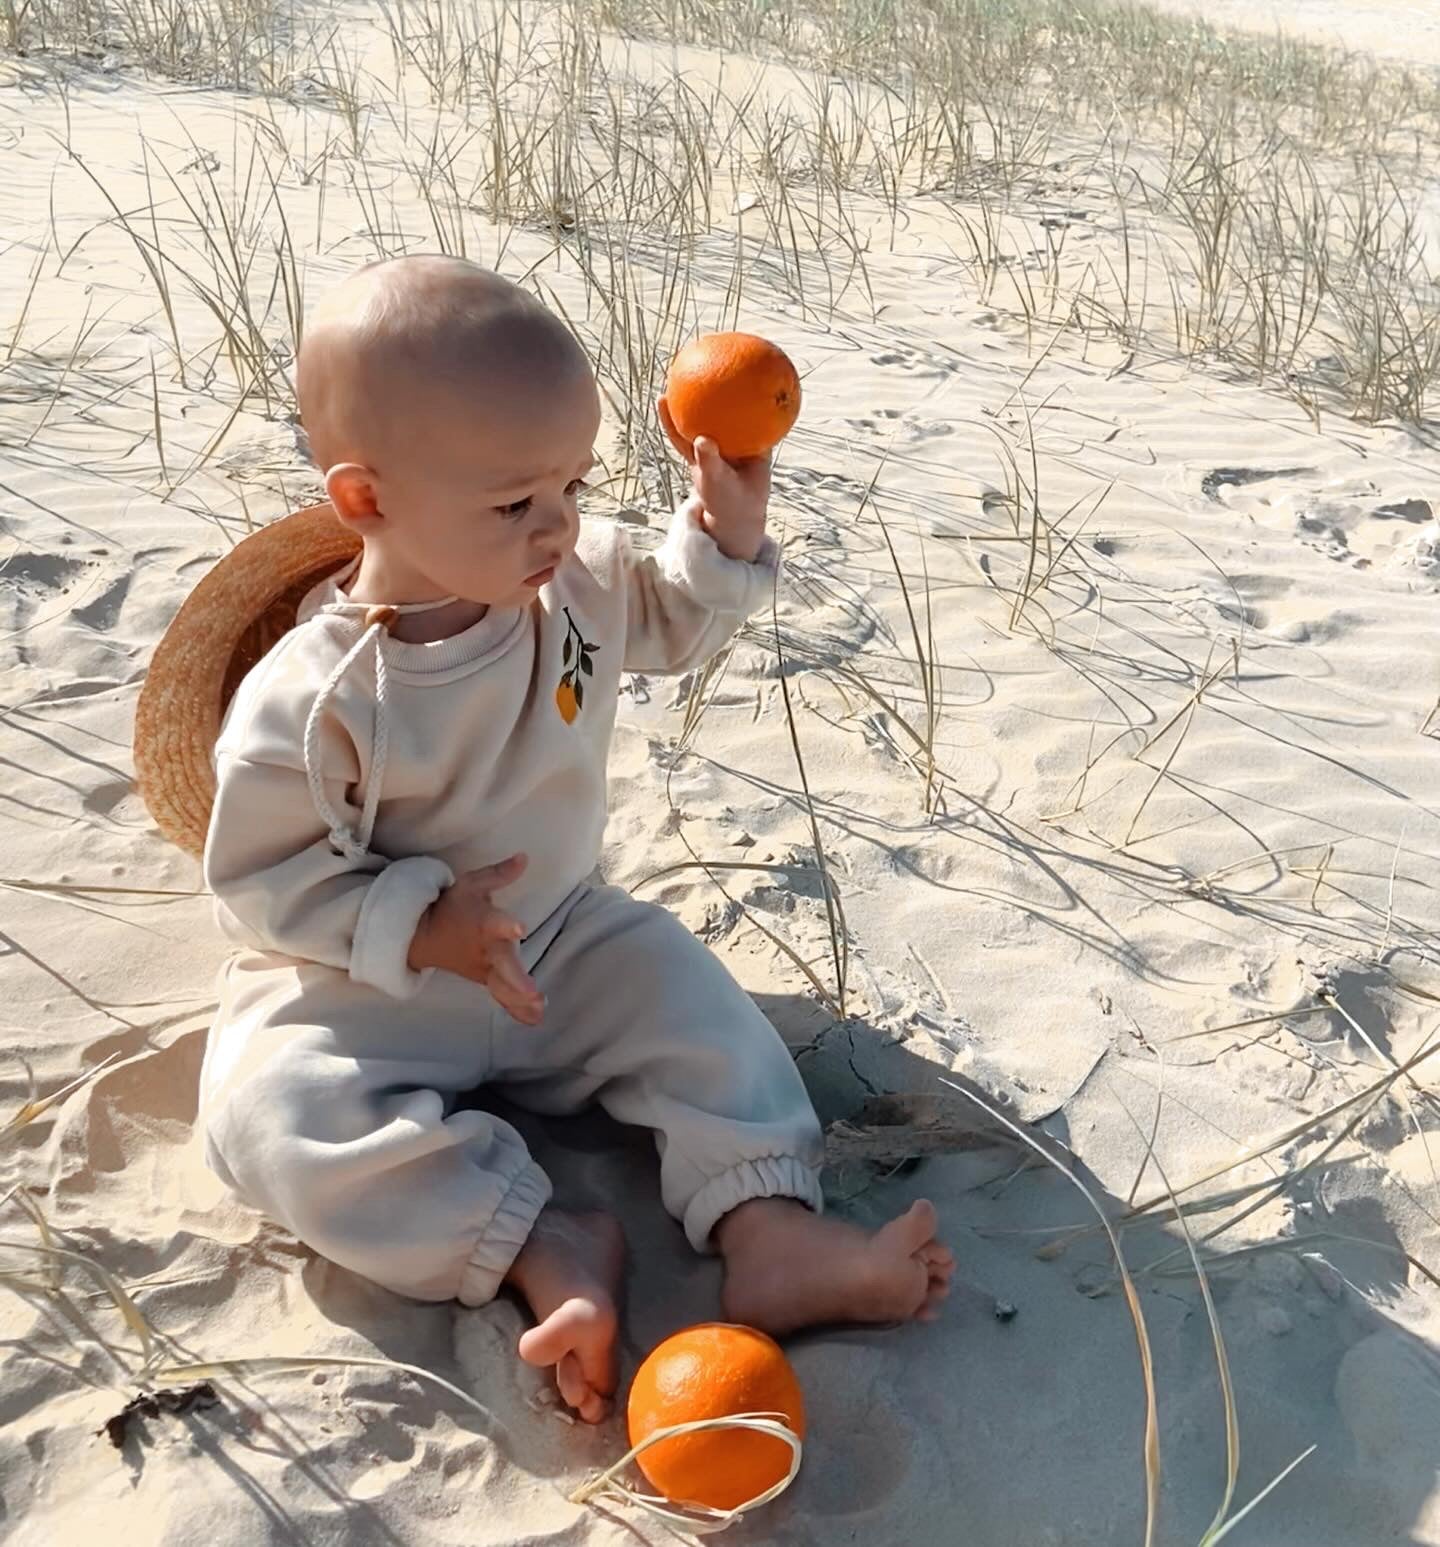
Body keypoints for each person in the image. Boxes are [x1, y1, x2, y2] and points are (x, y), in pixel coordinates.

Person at [197, 255, 953, 1423]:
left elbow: (669, 610)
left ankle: (770, 1234)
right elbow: (261, 876)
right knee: (268, 1113)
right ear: (366, 499)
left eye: (575, 484)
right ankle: (544, 1241)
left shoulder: (574, 585)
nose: (557, 524)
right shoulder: (319, 696)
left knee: (702, 1012)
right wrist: (409, 921)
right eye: (515, 502)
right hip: (377, 985)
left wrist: (721, 529)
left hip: (559, 938)